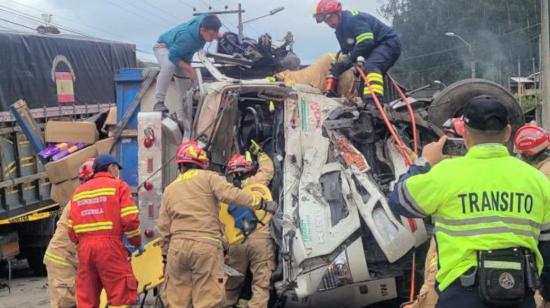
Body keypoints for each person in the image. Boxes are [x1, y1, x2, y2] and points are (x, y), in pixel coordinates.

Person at [388, 95, 550, 307]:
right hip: (519, 294)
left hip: (460, 296)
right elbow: (547, 251)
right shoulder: (538, 181)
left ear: (464, 134)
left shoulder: (446, 174)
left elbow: (398, 200)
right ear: (508, 133)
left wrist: (425, 160)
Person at [157, 140, 276, 308]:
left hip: (177, 249)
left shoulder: (170, 189)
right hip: (206, 246)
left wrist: (164, 256)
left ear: (180, 165)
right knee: (208, 299)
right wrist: (261, 203)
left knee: (176, 301)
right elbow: (232, 195)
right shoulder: (210, 178)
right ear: (201, 163)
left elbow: (163, 226)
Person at [68, 154, 142, 308]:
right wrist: (136, 242)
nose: (117, 172)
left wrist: (83, 244)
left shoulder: (78, 192)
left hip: (85, 250)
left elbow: (71, 230)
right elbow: (130, 219)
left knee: (86, 299)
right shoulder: (119, 186)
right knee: (120, 295)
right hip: (110, 248)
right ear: (110, 167)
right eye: (117, 168)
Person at [313, 0, 401, 104]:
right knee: (364, 83)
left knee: (371, 67)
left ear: (337, 12)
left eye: (330, 18)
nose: (330, 23)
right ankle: (368, 107)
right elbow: (348, 54)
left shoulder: (353, 19)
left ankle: (374, 104)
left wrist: (348, 60)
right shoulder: (340, 31)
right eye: (326, 21)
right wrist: (338, 68)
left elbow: (366, 42)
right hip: (374, 50)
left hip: (388, 43)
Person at [224, 148, 276, 308]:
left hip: (236, 243)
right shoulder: (256, 183)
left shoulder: (226, 192)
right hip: (261, 242)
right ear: (249, 169)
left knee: (231, 283)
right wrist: (260, 152)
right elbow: (268, 169)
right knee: (261, 282)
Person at [44, 158, 94, 308]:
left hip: (69, 258)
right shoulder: (81, 201)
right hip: (62, 260)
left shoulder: (84, 198)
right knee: (66, 303)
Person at [153, 14, 222, 114]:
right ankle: (159, 102)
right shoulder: (187, 38)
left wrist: (218, 34)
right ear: (202, 30)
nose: (213, 38)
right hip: (165, 48)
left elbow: (209, 18)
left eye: (215, 34)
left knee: (186, 93)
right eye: (211, 35)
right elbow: (172, 56)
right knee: (169, 66)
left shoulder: (205, 24)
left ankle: (185, 122)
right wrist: (189, 69)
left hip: (182, 55)